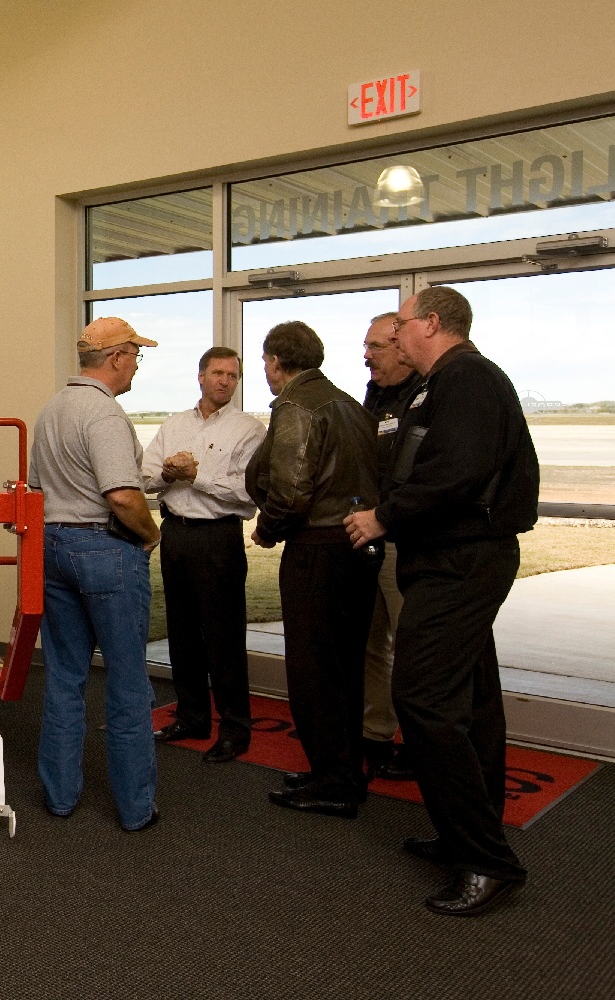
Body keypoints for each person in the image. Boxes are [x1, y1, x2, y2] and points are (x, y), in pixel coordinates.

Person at [345, 286, 538, 917]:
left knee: (422, 697)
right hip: (448, 558)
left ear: (431, 323)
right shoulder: (439, 385)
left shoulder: (471, 380)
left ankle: (488, 861)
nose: (394, 337)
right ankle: (467, 838)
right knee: (473, 704)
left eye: (401, 325)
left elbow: (456, 473)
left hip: (463, 560)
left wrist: (384, 517)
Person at [29, 315, 161, 831]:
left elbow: (39, 488)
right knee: (128, 684)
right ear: (116, 358)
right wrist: (150, 536)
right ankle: (134, 810)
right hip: (104, 548)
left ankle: (60, 797)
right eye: (135, 357)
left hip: (53, 546)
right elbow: (123, 496)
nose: (136, 367)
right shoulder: (105, 414)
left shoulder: (53, 410)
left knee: (64, 677)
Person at [244, 321, 380, 820]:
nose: (265, 370)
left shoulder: (297, 406)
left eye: (264, 362)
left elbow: (292, 487)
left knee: (313, 671)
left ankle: (334, 783)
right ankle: (342, 772)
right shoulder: (351, 405)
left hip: (318, 550)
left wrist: (269, 527)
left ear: (277, 361)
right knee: (344, 668)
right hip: (356, 548)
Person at [142, 347, 265, 763]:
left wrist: (196, 476)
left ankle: (235, 729)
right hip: (175, 535)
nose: (225, 381)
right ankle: (191, 718)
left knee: (224, 638)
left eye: (233, 375)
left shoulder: (249, 430)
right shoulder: (175, 424)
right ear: (200, 376)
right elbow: (143, 476)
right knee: (183, 636)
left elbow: (247, 493)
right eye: (217, 373)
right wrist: (167, 473)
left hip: (219, 538)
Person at [359, 312, 424, 783]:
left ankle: (424, 746)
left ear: (402, 348)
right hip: (369, 540)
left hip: (407, 542)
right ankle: (376, 735)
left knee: (414, 648)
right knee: (370, 645)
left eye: (376, 347)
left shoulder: (429, 397)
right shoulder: (375, 395)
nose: (367, 356)